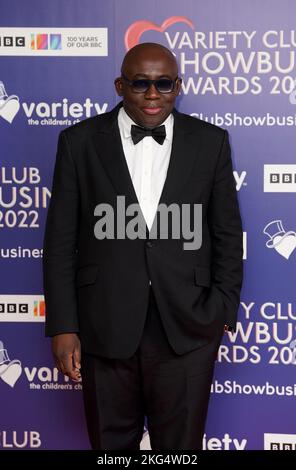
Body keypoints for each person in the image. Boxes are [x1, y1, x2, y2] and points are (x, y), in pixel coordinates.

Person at [43, 42, 243, 450]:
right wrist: (64, 325)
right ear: (120, 85)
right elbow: (61, 242)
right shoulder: (79, 143)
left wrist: (222, 305)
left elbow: (226, 233)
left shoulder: (211, 142)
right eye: (140, 84)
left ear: (178, 86)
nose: (153, 95)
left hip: (187, 328)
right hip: (104, 325)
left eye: (164, 84)